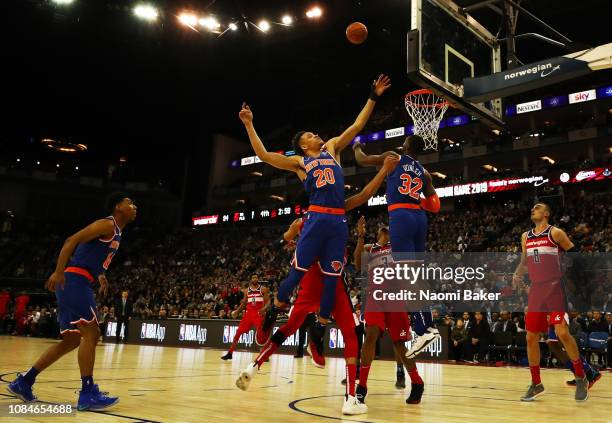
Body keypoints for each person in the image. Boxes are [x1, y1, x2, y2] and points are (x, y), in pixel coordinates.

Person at [235, 155, 399, 416]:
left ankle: (254, 365)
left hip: (308, 283)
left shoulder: (302, 221)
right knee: (351, 334)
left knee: (289, 327)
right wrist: (384, 170)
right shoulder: (339, 208)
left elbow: (286, 238)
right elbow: (367, 193)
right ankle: (349, 398)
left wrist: (291, 241)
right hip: (331, 284)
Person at [238, 74, 391, 333]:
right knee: (297, 273)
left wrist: (373, 96)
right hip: (317, 217)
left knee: (333, 279)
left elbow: (357, 125)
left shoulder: (332, 148)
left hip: (338, 220)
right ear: (303, 146)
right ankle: (275, 308)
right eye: (310, 134)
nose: (316, 134)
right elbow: (264, 155)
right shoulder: (299, 163)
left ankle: (319, 330)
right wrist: (249, 125)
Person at [7, 193, 137, 411]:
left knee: (71, 341)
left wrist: (101, 274)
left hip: (78, 280)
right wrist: (59, 272)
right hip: (74, 280)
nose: (134, 206)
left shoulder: (117, 232)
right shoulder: (106, 224)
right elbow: (71, 240)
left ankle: (24, 381)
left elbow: (93, 256)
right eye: (130, 202)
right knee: (92, 334)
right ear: (118, 207)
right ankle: (87, 394)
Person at [353, 134, 441, 358]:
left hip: (401, 215)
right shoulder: (424, 172)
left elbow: (362, 159)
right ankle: (428, 325)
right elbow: (435, 205)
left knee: (404, 275)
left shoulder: (393, 157)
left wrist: (356, 146)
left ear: (406, 146)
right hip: (419, 218)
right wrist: (417, 200)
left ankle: (422, 329)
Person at [513, 202, 589, 401]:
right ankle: (536, 383)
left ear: (546, 213)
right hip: (537, 289)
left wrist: (575, 278)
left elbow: (575, 254)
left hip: (555, 287)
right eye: (532, 208)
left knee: (562, 332)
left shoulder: (556, 233)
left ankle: (581, 377)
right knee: (530, 338)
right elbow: (524, 261)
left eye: (537, 207)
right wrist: (517, 273)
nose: (532, 209)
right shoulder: (525, 236)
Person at [353, 216, 425, 405]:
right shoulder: (371, 249)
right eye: (381, 229)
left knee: (400, 344)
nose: (384, 230)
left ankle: (417, 382)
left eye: (387, 228)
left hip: (395, 298)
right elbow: (357, 264)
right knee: (370, 335)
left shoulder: (399, 247)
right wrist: (360, 237)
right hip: (375, 297)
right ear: (377, 234)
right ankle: (362, 386)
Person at [221, 274, 271, 360]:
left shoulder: (263, 289)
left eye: (256, 277)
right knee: (238, 333)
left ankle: (264, 354)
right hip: (248, 314)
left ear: (258, 279)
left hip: (258, 314)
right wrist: (237, 311)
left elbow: (268, 301)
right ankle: (230, 353)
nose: (255, 279)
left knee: (262, 335)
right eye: (253, 277)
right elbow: (244, 303)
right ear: (251, 279)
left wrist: (264, 308)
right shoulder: (246, 291)